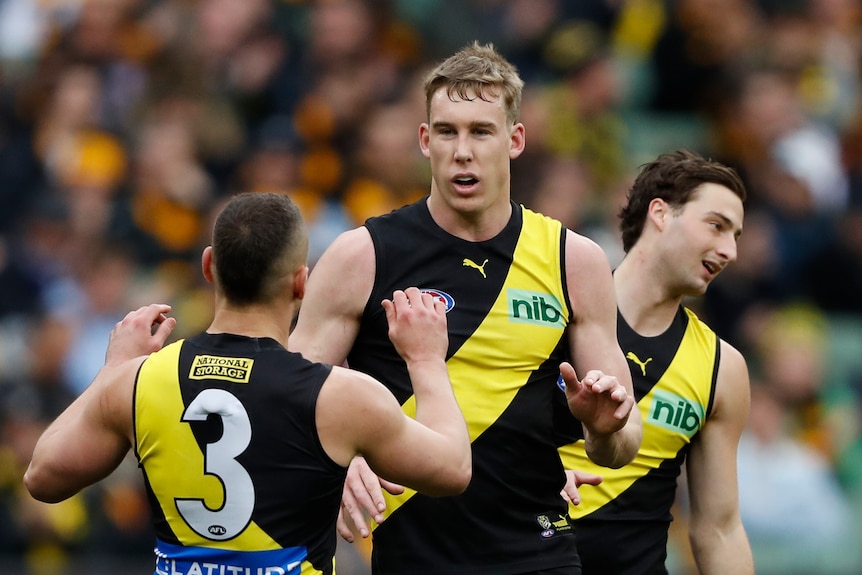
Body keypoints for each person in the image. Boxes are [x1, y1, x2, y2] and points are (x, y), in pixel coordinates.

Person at [288, 42, 641, 574]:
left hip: (538, 554)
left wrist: (603, 428)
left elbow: (621, 446)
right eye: (447, 132)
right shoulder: (362, 256)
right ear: (425, 141)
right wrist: (340, 463)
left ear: (514, 139)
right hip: (409, 555)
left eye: (481, 131)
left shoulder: (574, 261)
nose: (463, 150)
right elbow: (288, 410)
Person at [23, 191, 472, 575]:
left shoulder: (138, 381)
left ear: (208, 267)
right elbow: (452, 469)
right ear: (301, 283)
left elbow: (42, 477)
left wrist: (112, 369)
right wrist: (426, 359)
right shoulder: (339, 396)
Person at [557, 150, 755, 574]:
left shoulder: (723, 368)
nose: (730, 251)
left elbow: (718, 529)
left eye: (736, 235)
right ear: (661, 213)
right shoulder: (556, 312)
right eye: (717, 226)